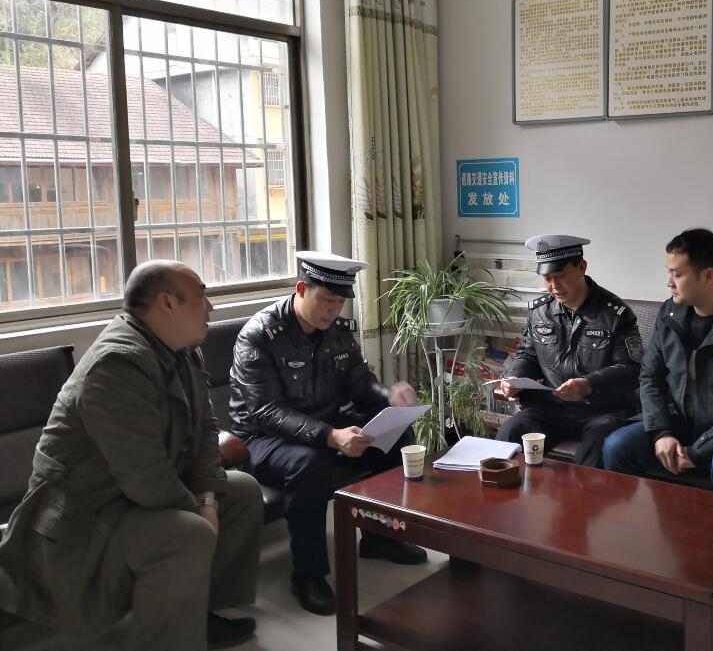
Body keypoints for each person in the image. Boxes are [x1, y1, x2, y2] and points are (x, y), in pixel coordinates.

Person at [0, 260, 263, 651]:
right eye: (201, 296)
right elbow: (146, 479)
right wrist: (200, 512)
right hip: (88, 510)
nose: (210, 307)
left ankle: (198, 613)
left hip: (133, 494)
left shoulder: (182, 351)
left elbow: (206, 430)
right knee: (188, 533)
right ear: (167, 303)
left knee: (240, 491)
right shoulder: (116, 365)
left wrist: (208, 496)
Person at [229, 251, 427, 617]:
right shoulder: (260, 335)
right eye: (326, 300)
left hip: (326, 426)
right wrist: (331, 436)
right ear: (301, 289)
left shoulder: (337, 332)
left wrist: (389, 397)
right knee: (309, 463)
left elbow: (360, 384)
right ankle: (308, 575)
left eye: (339, 302)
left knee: (396, 433)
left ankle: (381, 538)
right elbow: (266, 411)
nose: (333, 310)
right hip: (264, 439)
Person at [601, 228, 713, 627]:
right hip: (679, 426)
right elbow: (650, 379)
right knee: (616, 446)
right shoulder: (670, 315)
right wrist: (661, 432)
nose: (668, 282)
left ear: (708, 276)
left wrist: (697, 450)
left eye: (676, 273)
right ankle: (638, 556)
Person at [494, 234, 642, 468]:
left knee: (595, 452)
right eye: (547, 279)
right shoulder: (540, 311)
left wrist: (588, 385)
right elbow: (527, 354)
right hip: (550, 408)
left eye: (560, 277)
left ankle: (581, 494)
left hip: (601, 411)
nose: (554, 287)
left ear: (581, 267)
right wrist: (515, 377)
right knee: (509, 434)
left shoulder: (615, 314)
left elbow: (631, 370)